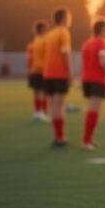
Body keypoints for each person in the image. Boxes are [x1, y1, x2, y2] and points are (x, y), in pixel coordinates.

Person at [42, 8, 73, 148]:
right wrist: (70, 72)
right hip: (59, 73)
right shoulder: (63, 32)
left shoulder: (49, 34)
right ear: (63, 18)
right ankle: (61, 138)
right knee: (60, 105)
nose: (70, 19)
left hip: (48, 73)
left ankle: (57, 136)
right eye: (69, 17)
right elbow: (65, 53)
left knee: (53, 105)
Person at [80, 18, 105, 150]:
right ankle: (86, 141)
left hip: (87, 79)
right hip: (97, 80)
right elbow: (103, 62)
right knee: (94, 109)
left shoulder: (87, 43)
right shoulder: (102, 43)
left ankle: (88, 139)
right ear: (104, 30)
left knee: (91, 108)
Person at [26, 20, 49, 121]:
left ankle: (37, 111)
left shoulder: (32, 43)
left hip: (33, 70)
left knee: (36, 92)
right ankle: (41, 112)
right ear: (43, 30)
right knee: (41, 91)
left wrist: (29, 70)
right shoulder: (44, 41)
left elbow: (29, 59)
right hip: (41, 70)